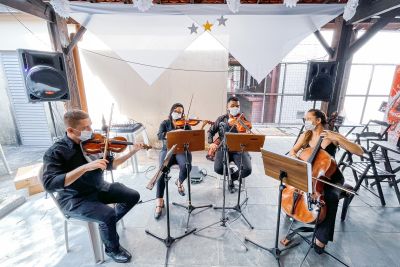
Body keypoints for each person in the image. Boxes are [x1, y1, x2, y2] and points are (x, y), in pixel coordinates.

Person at [42, 110, 144, 263]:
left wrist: (133, 151)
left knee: (132, 195)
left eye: (90, 125)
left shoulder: (93, 143)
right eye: (86, 127)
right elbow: (50, 184)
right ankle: (112, 249)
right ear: (70, 130)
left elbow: (112, 164)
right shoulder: (56, 152)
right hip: (75, 199)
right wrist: (84, 167)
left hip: (98, 188)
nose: (91, 130)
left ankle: (106, 225)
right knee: (108, 214)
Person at [289, 108, 363, 254]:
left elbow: (359, 151)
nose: (305, 122)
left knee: (330, 197)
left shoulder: (332, 136)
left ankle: (321, 238)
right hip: (311, 175)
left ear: (318, 121)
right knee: (293, 185)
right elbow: (293, 151)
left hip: (331, 177)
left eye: (308, 119)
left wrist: (339, 138)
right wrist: (296, 158)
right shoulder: (307, 135)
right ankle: (297, 212)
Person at [155, 103, 192, 219]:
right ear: (171, 111)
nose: (178, 113)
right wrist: (170, 134)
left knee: (187, 166)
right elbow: (159, 135)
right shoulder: (165, 123)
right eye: (176, 111)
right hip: (167, 149)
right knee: (162, 171)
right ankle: (159, 201)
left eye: (180, 112)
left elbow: (191, 137)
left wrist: (185, 130)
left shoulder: (185, 124)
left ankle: (179, 182)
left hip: (181, 150)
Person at [208, 96, 253, 193]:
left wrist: (247, 134)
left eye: (237, 106)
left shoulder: (243, 119)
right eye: (232, 106)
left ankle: (231, 178)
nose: (235, 108)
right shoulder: (221, 119)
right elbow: (210, 132)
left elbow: (248, 134)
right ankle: (231, 174)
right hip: (223, 147)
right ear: (227, 107)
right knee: (218, 169)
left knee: (247, 169)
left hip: (239, 148)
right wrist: (211, 143)